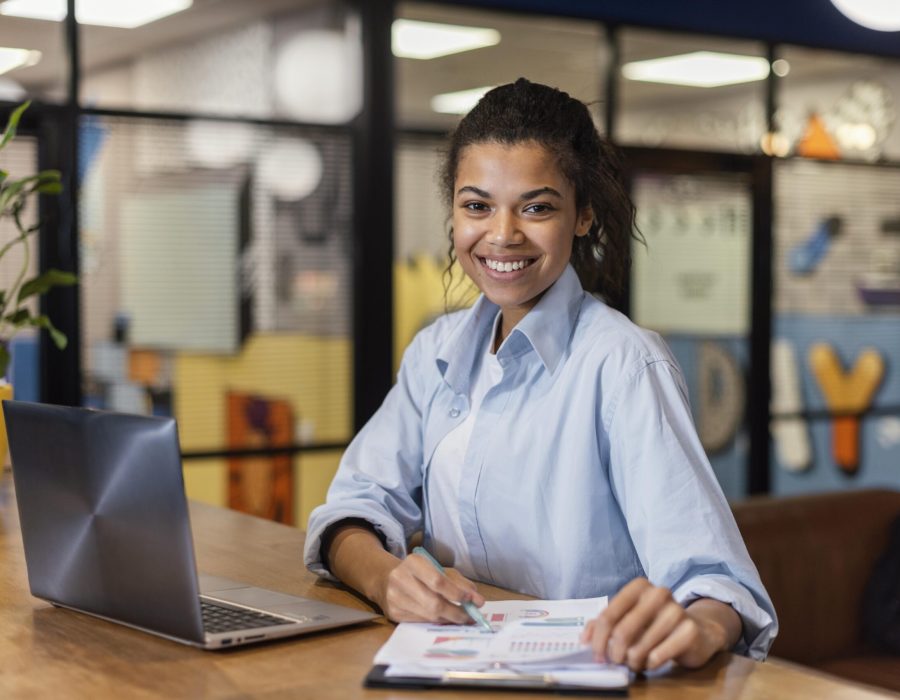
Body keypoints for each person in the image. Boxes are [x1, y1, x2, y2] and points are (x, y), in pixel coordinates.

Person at [304, 78, 777, 672]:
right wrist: (386, 579)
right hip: (454, 666)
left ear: (582, 216)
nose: (503, 234)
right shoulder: (435, 353)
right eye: (477, 206)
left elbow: (718, 586)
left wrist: (697, 624)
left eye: (537, 207)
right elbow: (351, 509)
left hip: (587, 675)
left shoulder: (625, 365)